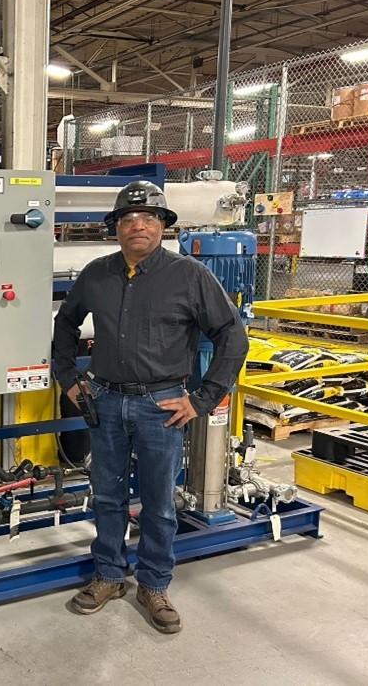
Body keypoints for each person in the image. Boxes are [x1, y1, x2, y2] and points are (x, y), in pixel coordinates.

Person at [52, 180, 248, 634]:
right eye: (128, 219)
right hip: (104, 399)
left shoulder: (190, 275)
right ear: (115, 228)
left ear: (162, 226)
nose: (137, 225)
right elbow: (65, 325)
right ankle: (108, 575)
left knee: (159, 502)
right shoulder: (96, 274)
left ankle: (155, 584)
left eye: (148, 218)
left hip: (163, 405)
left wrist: (202, 399)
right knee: (107, 494)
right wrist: (68, 378)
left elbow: (232, 337)